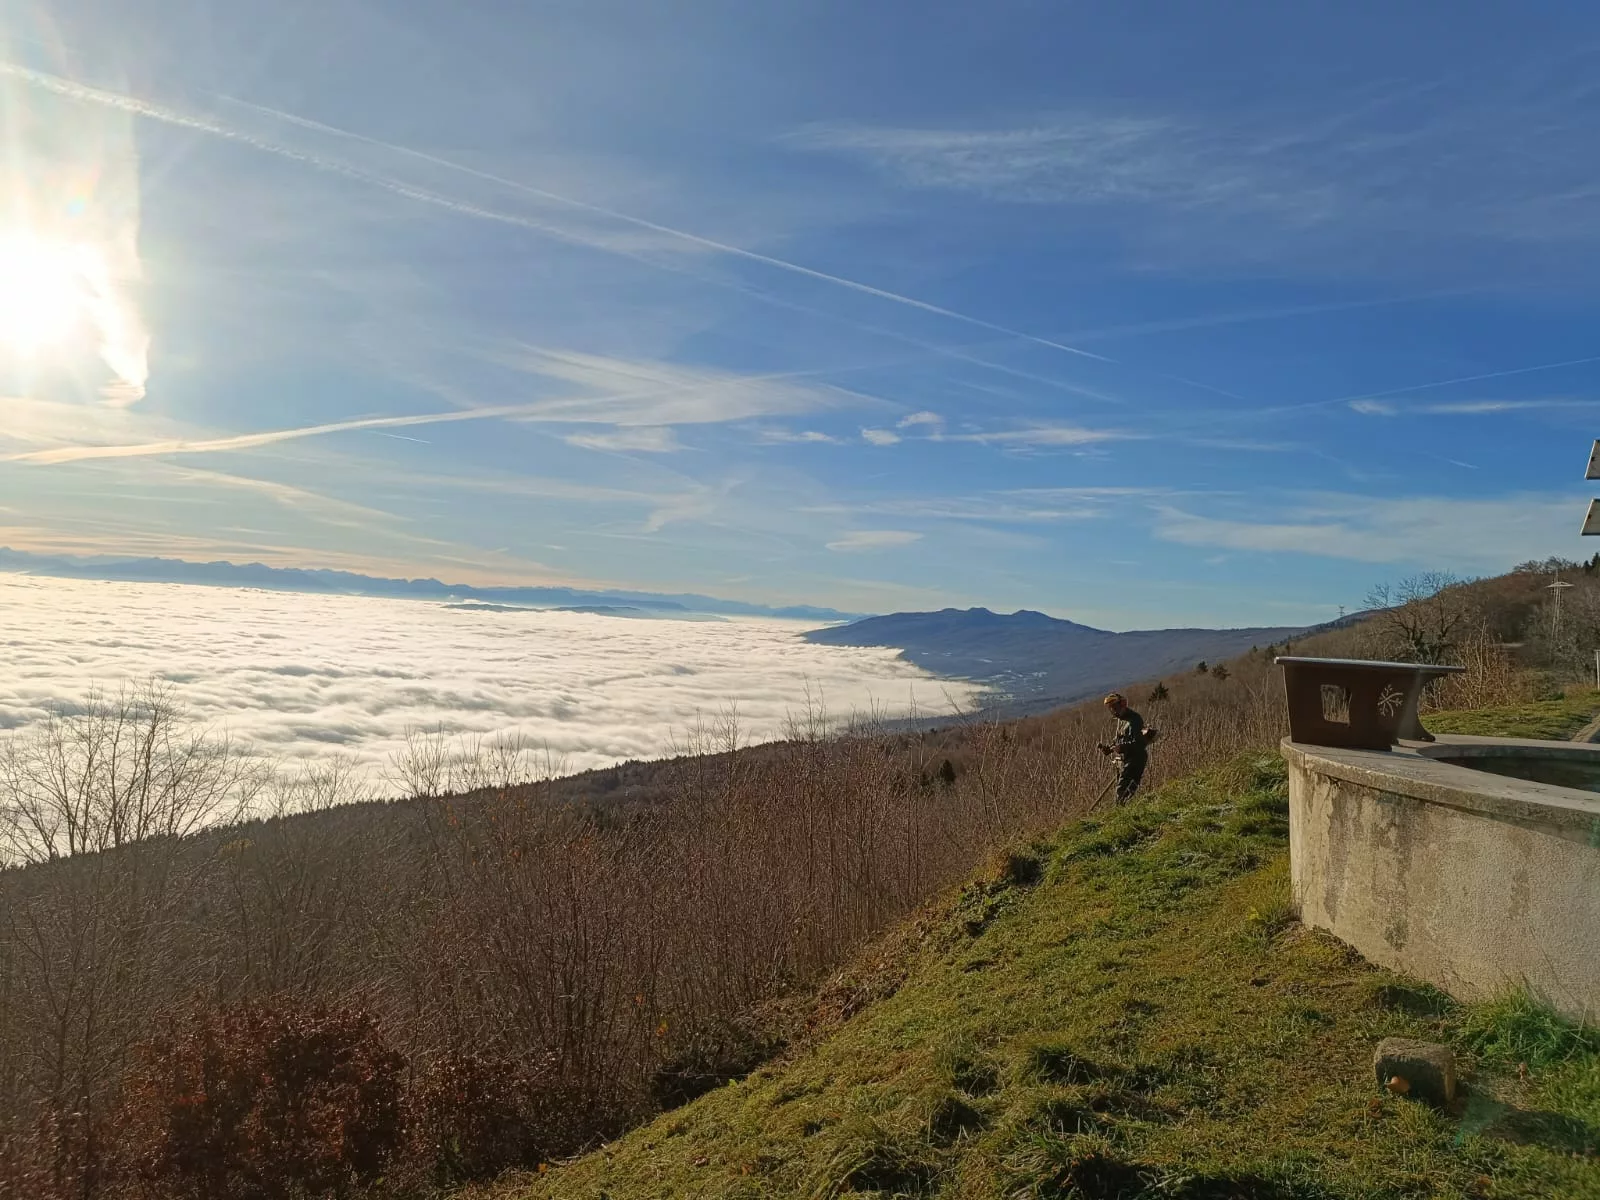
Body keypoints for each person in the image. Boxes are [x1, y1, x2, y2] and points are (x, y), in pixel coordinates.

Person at [1097, 692, 1153, 804]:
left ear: (1122, 704)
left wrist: (1122, 747)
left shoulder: (1134, 719)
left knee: (1122, 791)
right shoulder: (1121, 721)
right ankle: (1127, 812)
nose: (1113, 710)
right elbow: (1118, 741)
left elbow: (1138, 743)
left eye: (1115, 707)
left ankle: (1122, 815)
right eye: (1111, 708)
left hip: (1136, 759)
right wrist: (1109, 749)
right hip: (1126, 759)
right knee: (1125, 791)